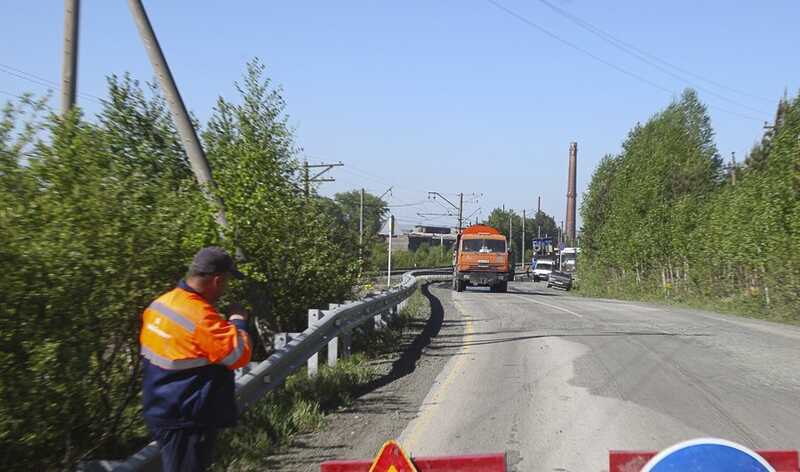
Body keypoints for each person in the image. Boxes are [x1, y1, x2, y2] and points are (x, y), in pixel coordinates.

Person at [140, 247, 252, 471]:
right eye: (228, 281)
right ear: (217, 280)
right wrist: (238, 321)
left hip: (161, 407)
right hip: (187, 417)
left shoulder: (161, 304)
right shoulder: (199, 316)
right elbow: (238, 355)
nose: (227, 287)